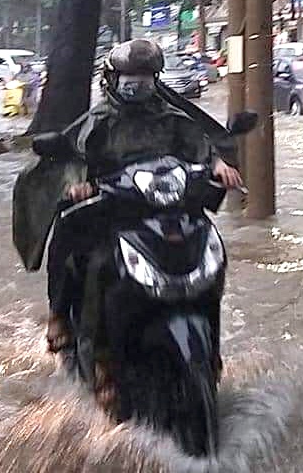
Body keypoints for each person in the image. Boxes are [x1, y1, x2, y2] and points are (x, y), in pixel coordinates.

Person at [13, 41, 242, 374]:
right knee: (69, 239)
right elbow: (73, 158)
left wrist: (219, 164)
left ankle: (211, 346)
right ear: (113, 78)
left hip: (165, 208)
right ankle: (59, 315)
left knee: (211, 247)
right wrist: (77, 185)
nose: (139, 84)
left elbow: (200, 147)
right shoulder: (98, 122)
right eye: (131, 78)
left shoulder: (171, 117)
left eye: (146, 77)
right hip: (113, 210)